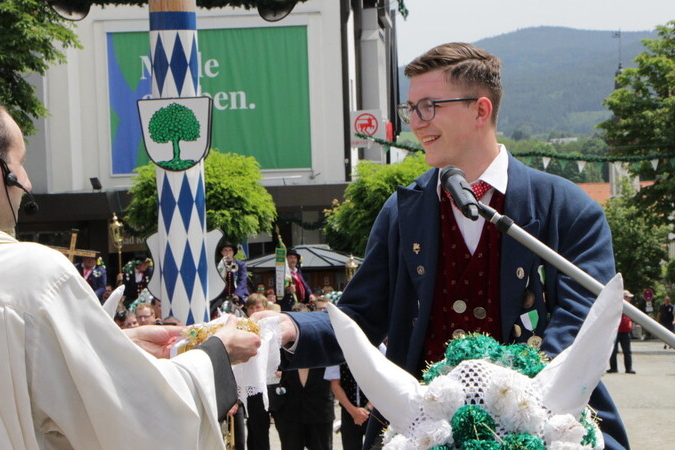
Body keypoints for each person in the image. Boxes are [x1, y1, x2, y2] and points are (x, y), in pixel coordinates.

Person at [260, 43, 628, 449]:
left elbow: (582, 325)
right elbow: (361, 315)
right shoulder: (403, 212)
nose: (415, 124)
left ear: (481, 110)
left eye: (429, 106)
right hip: (423, 431)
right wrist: (287, 328)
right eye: (411, 109)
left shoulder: (568, 208)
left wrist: (515, 410)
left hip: (541, 426)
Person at [0, 98, 261, 449]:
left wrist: (112, 343)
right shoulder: (33, 277)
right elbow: (139, 418)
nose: (26, 183)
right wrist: (216, 353)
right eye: (21, 163)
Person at [324, 363, 371, 450]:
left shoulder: (379, 350)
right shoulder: (337, 355)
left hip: (374, 413)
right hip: (349, 412)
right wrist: (353, 411)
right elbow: (335, 385)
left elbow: (384, 384)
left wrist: (367, 408)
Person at [609, 290, 636, 374]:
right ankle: (613, 368)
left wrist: (630, 324)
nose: (630, 299)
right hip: (616, 330)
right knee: (613, 350)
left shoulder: (629, 307)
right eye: (628, 297)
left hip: (625, 331)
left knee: (627, 351)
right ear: (623, 297)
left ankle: (629, 368)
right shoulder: (615, 305)